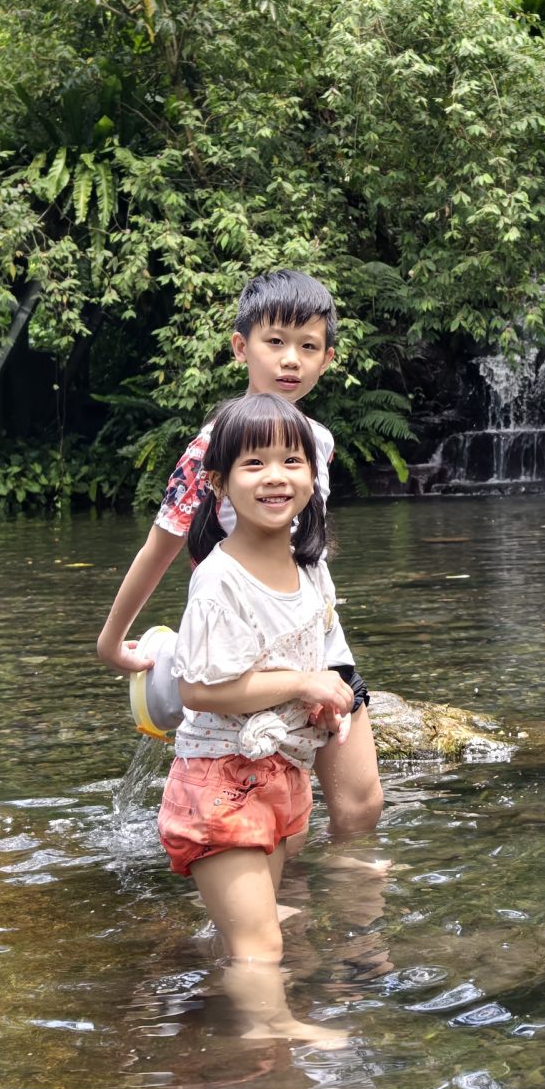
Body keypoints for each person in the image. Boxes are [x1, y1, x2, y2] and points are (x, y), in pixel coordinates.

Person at [94, 268, 385, 844]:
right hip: (247, 646)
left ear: (327, 359)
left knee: (361, 802)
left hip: (316, 636)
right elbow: (163, 541)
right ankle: (280, 913)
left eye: (308, 347)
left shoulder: (317, 441)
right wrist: (111, 639)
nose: (290, 360)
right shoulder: (215, 443)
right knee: (269, 812)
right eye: (274, 342)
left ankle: (355, 920)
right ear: (240, 346)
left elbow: (309, 544)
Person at [154, 391, 357, 1046]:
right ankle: (271, 1033)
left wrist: (324, 695)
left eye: (291, 460)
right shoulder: (220, 579)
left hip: (279, 772)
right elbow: (197, 689)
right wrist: (301, 682)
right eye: (253, 464)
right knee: (259, 942)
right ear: (217, 483)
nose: (275, 476)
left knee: (258, 923)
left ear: (313, 474)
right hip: (221, 779)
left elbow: (303, 650)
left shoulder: (307, 566)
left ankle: (212, 1021)